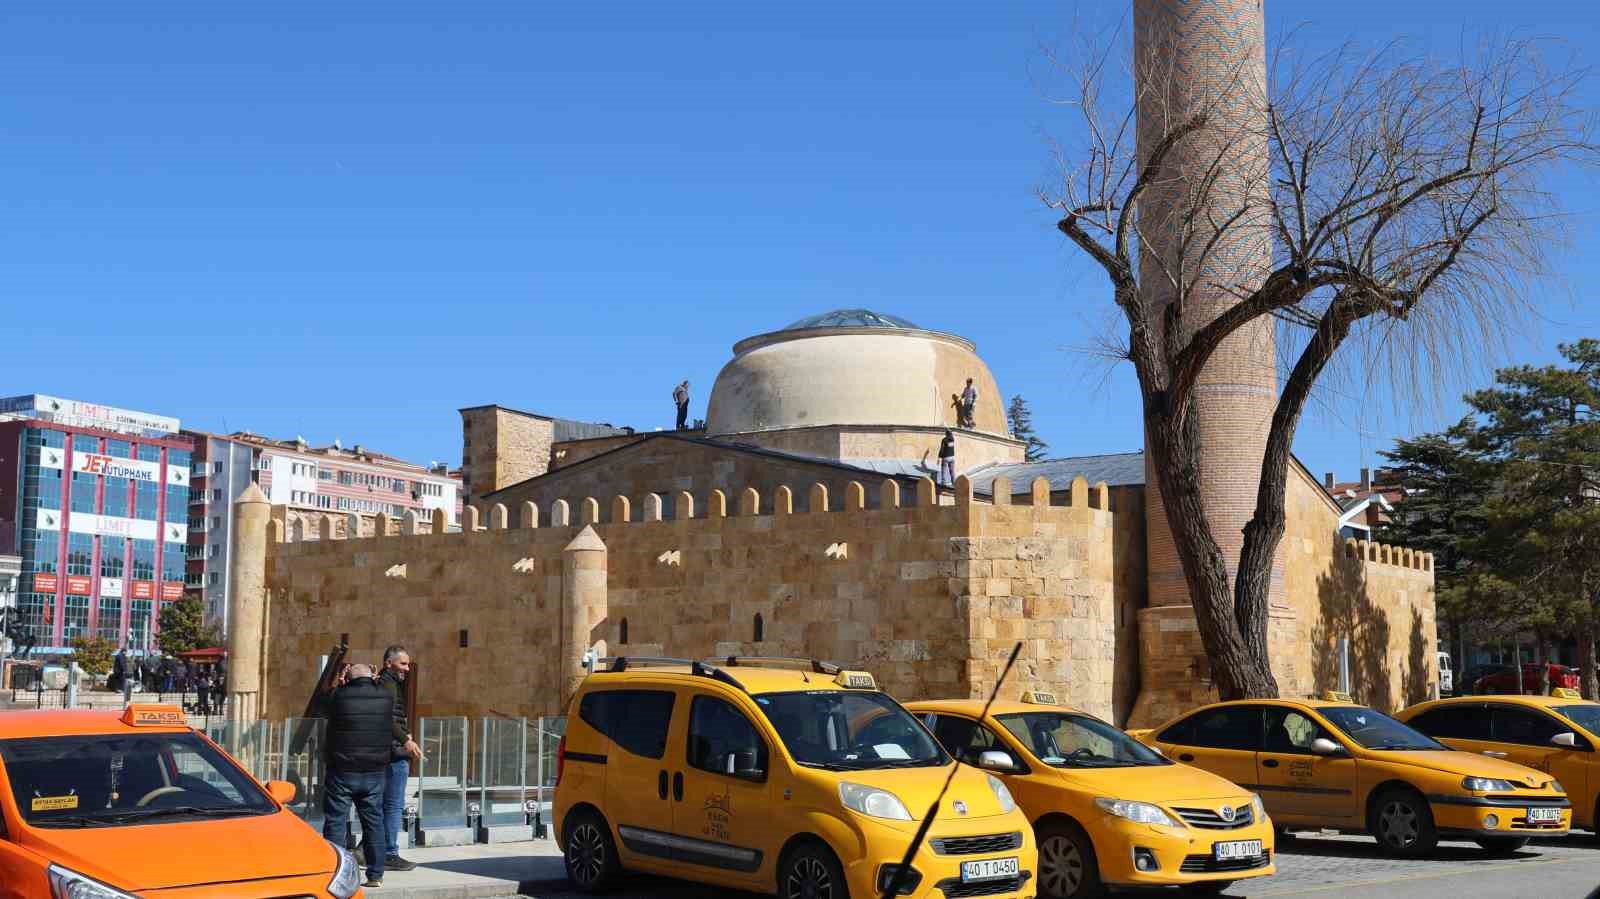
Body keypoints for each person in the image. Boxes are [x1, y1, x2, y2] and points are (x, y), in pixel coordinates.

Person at [318, 663, 392, 890]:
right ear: (373, 676)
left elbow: (322, 704)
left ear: (347, 678)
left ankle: (337, 873)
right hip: (374, 771)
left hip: (342, 771)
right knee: (374, 823)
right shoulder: (386, 696)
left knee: (336, 822)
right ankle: (376, 874)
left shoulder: (339, 696)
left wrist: (339, 682)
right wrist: (376, 679)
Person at [377, 645, 424, 872]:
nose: (406, 668)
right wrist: (406, 740)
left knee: (382, 805)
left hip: (389, 749)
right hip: (394, 752)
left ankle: (369, 848)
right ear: (389, 663)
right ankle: (389, 853)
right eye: (402, 663)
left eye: (407, 663)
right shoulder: (388, 684)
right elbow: (386, 717)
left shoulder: (389, 683)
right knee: (393, 805)